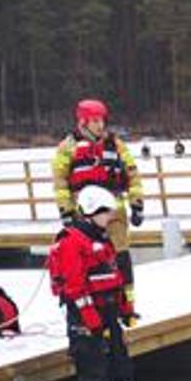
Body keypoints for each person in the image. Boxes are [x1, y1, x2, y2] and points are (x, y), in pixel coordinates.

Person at [47, 185, 152, 381]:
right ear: (92, 212)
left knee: (120, 362)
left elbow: (114, 277)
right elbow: (74, 286)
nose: (110, 218)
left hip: (108, 310)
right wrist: (89, 317)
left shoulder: (102, 239)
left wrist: (124, 308)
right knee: (92, 369)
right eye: (106, 213)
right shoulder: (72, 242)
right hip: (86, 315)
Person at [52, 98, 145, 317]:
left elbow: (132, 174)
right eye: (94, 120)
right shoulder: (67, 148)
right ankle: (96, 305)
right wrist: (65, 211)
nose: (100, 125)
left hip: (114, 213)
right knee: (89, 262)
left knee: (121, 258)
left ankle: (127, 305)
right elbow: (60, 182)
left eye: (101, 120)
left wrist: (137, 203)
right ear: (83, 122)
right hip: (84, 216)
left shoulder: (115, 145)